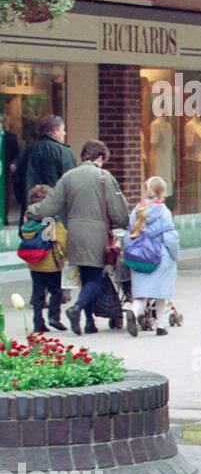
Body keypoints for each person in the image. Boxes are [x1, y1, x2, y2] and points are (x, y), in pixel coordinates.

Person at [25, 139, 129, 336]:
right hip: (97, 234)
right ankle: (77, 308)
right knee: (95, 278)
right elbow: (118, 211)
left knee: (84, 278)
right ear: (100, 157)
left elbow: (51, 206)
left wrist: (32, 210)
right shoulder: (104, 176)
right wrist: (126, 223)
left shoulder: (68, 177)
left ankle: (89, 323)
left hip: (74, 233)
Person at [123, 176, 180, 337]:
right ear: (163, 192)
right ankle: (161, 327)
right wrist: (175, 255)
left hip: (140, 256)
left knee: (142, 294)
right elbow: (170, 237)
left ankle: (134, 312)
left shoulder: (137, 210)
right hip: (160, 256)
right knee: (161, 293)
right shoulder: (164, 211)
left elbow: (129, 235)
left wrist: (129, 252)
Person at [20, 184, 66, 333]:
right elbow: (60, 239)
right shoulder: (50, 220)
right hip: (50, 262)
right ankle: (54, 317)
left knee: (38, 293)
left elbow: (25, 235)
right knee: (57, 291)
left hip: (34, 263)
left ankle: (38, 322)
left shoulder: (28, 219)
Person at [16, 115, 76, 220]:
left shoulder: (28, 151)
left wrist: (24, 202)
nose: (64, 133)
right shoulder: (63, 152)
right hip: (57, 215)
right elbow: (72, 183)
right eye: (63, 130)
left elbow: (17, 180)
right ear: (55, 131)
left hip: (31, 213)